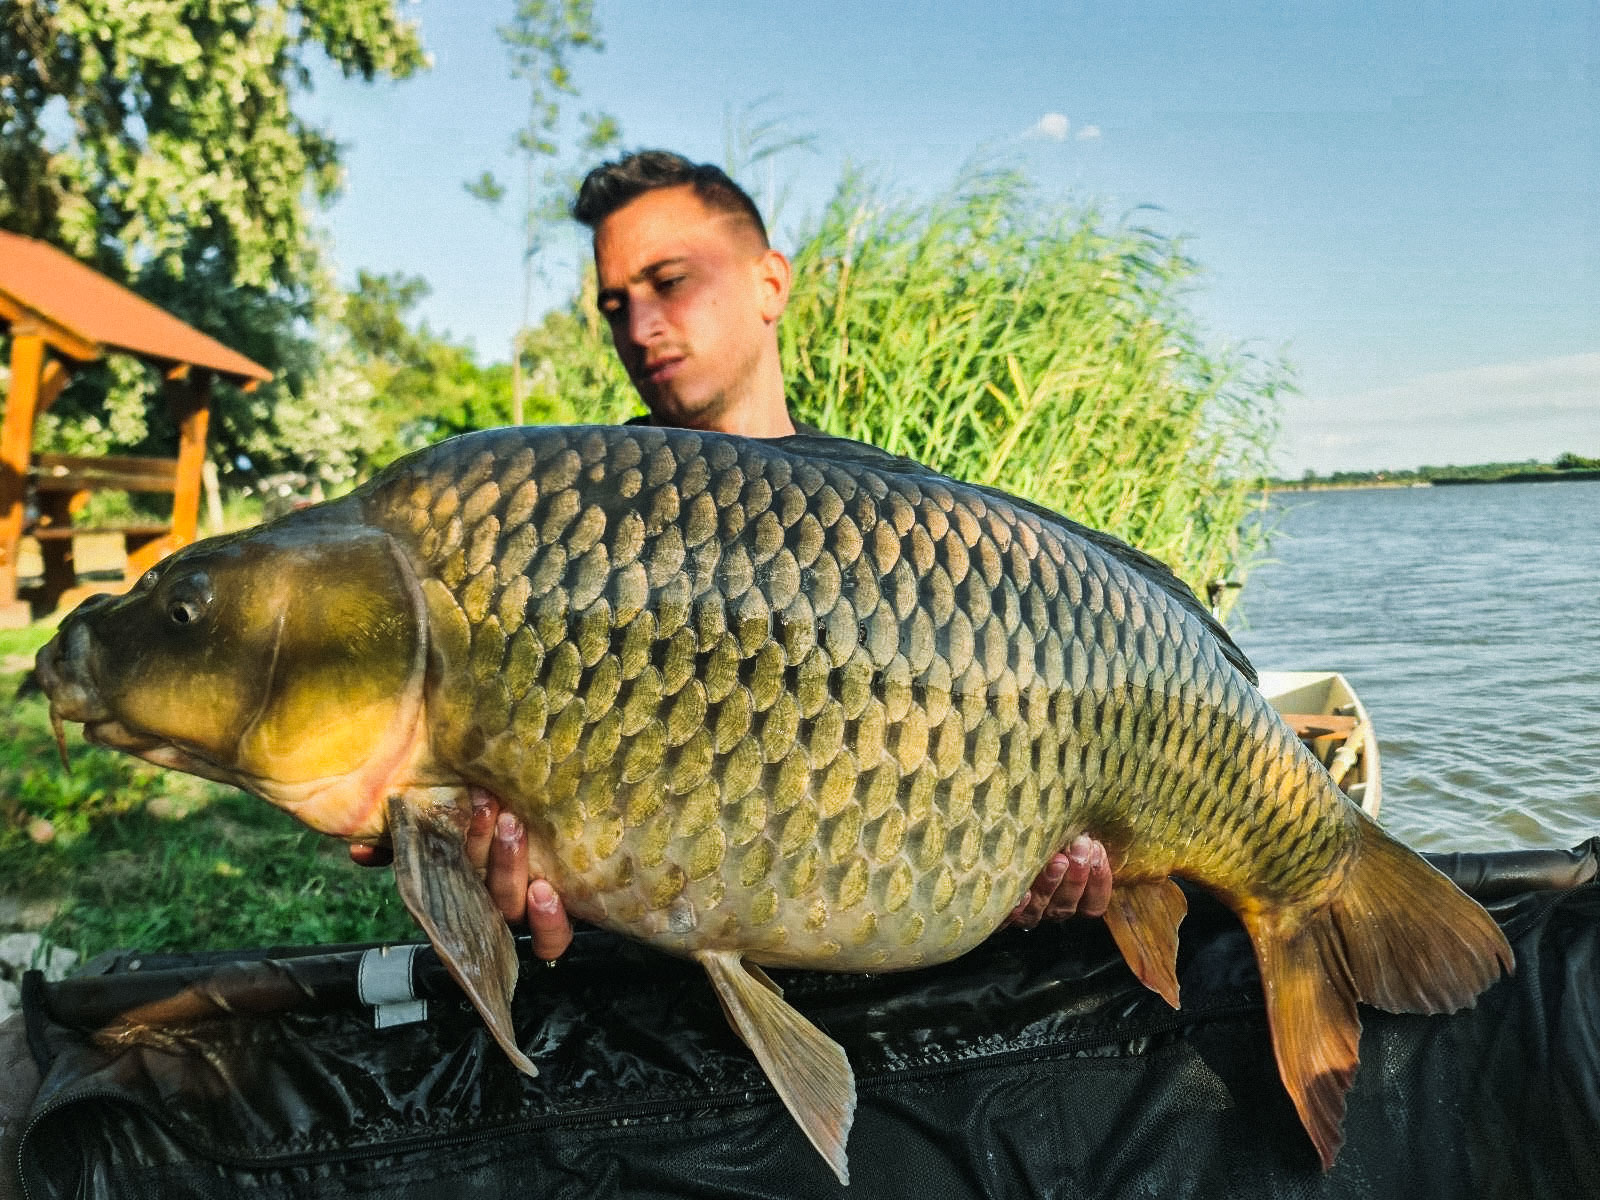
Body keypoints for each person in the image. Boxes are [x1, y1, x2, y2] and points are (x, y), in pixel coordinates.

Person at [351, 150, 1114, 956]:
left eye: (671, 281)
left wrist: (1023, 872)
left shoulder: (895, 521)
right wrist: (483, 869)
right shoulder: (576, 520)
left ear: (770, 283)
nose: (639, 328)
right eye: (616, 305)